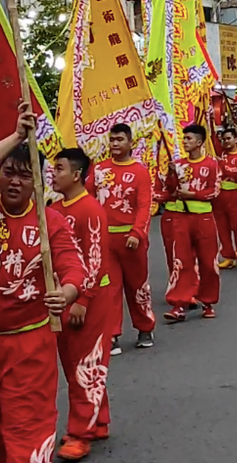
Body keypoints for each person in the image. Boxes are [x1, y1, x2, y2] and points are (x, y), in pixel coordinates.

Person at [0, 103, 86, 463]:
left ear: (38, 181)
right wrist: (15, 136)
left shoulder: (51, 221)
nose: (15, 181)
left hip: (29, 346)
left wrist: (67, 292)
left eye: (25, 175)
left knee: (29, 435)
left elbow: (73, 266)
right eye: (9, 172)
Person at [50, 148, 114, 461]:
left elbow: (96, 259)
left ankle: (80, 433)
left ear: (76, 174)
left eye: (59, 168)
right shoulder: (55, 209)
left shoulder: (90, 210)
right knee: (75, 364)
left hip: (89, 300)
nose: (53, 173)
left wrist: (82, 301)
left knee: (85, 365)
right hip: (66, 296)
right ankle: (98, 420)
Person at [92, 124, 155, 355]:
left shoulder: (140, 172)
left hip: (132, 240)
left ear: (130, 143)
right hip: (105, 239)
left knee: (137, 286)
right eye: (112, 139)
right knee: (110, 289)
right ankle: (112, 334)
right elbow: (88, 199)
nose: (115, 143)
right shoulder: (99, 171)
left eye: (120, 139)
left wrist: (137, 233)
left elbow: (144, 206)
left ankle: (145, 327)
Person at [162, 124, 221, 324]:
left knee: (208, 262)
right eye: (184, 138)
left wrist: (193, 195)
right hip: (181, 219)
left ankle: (208, 302)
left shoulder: (211, 164)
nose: (185, 142)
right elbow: (170, 190)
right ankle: (179, 304)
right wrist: (171, 174)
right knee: (181, 260)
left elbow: (215, 191)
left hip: (203, 218)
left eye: (189, 138)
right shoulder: (178, 164)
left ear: (199, 142)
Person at [214, 128, 237, 270]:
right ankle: (228, 255)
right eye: (224, 139)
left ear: (236, 139)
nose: (226, 142)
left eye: (229, 138)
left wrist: (221, 164)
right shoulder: (222, 154)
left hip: (236, 194)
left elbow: (235, 172)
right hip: (221, 196)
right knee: (222, 227)